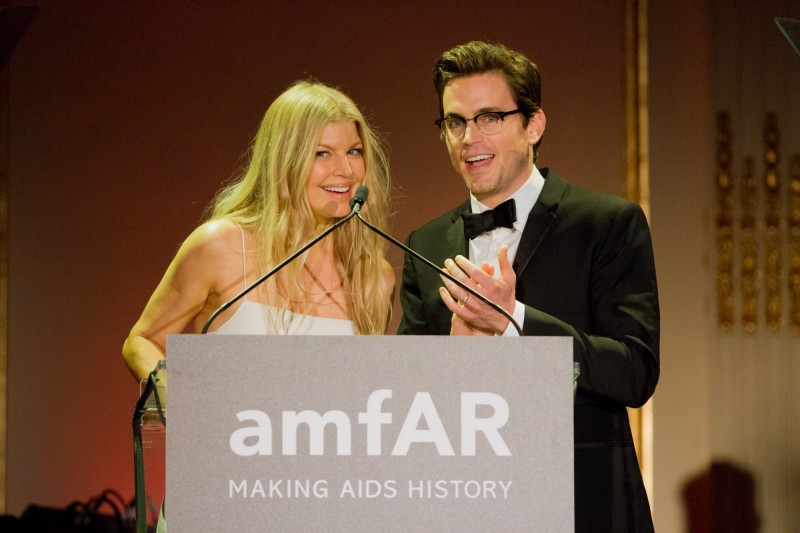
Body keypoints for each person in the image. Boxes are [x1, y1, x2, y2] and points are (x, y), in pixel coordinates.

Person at [398, 41, 660, 531]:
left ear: (533, 124)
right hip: (463, 506)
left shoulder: (607, 223)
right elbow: (409, 400)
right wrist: (447, 361)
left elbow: (635, 372)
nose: (468, 138)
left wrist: (513, 321)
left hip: (584, 503)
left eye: (490, 117)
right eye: (455, 122)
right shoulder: (426, 243)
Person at [123, 80, 395, 383]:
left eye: (354, 152)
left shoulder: (373, 279)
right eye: (322, 153)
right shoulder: (220, 247)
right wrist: (185, 407)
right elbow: (143, 342)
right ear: (284, 159)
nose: (345, 170)